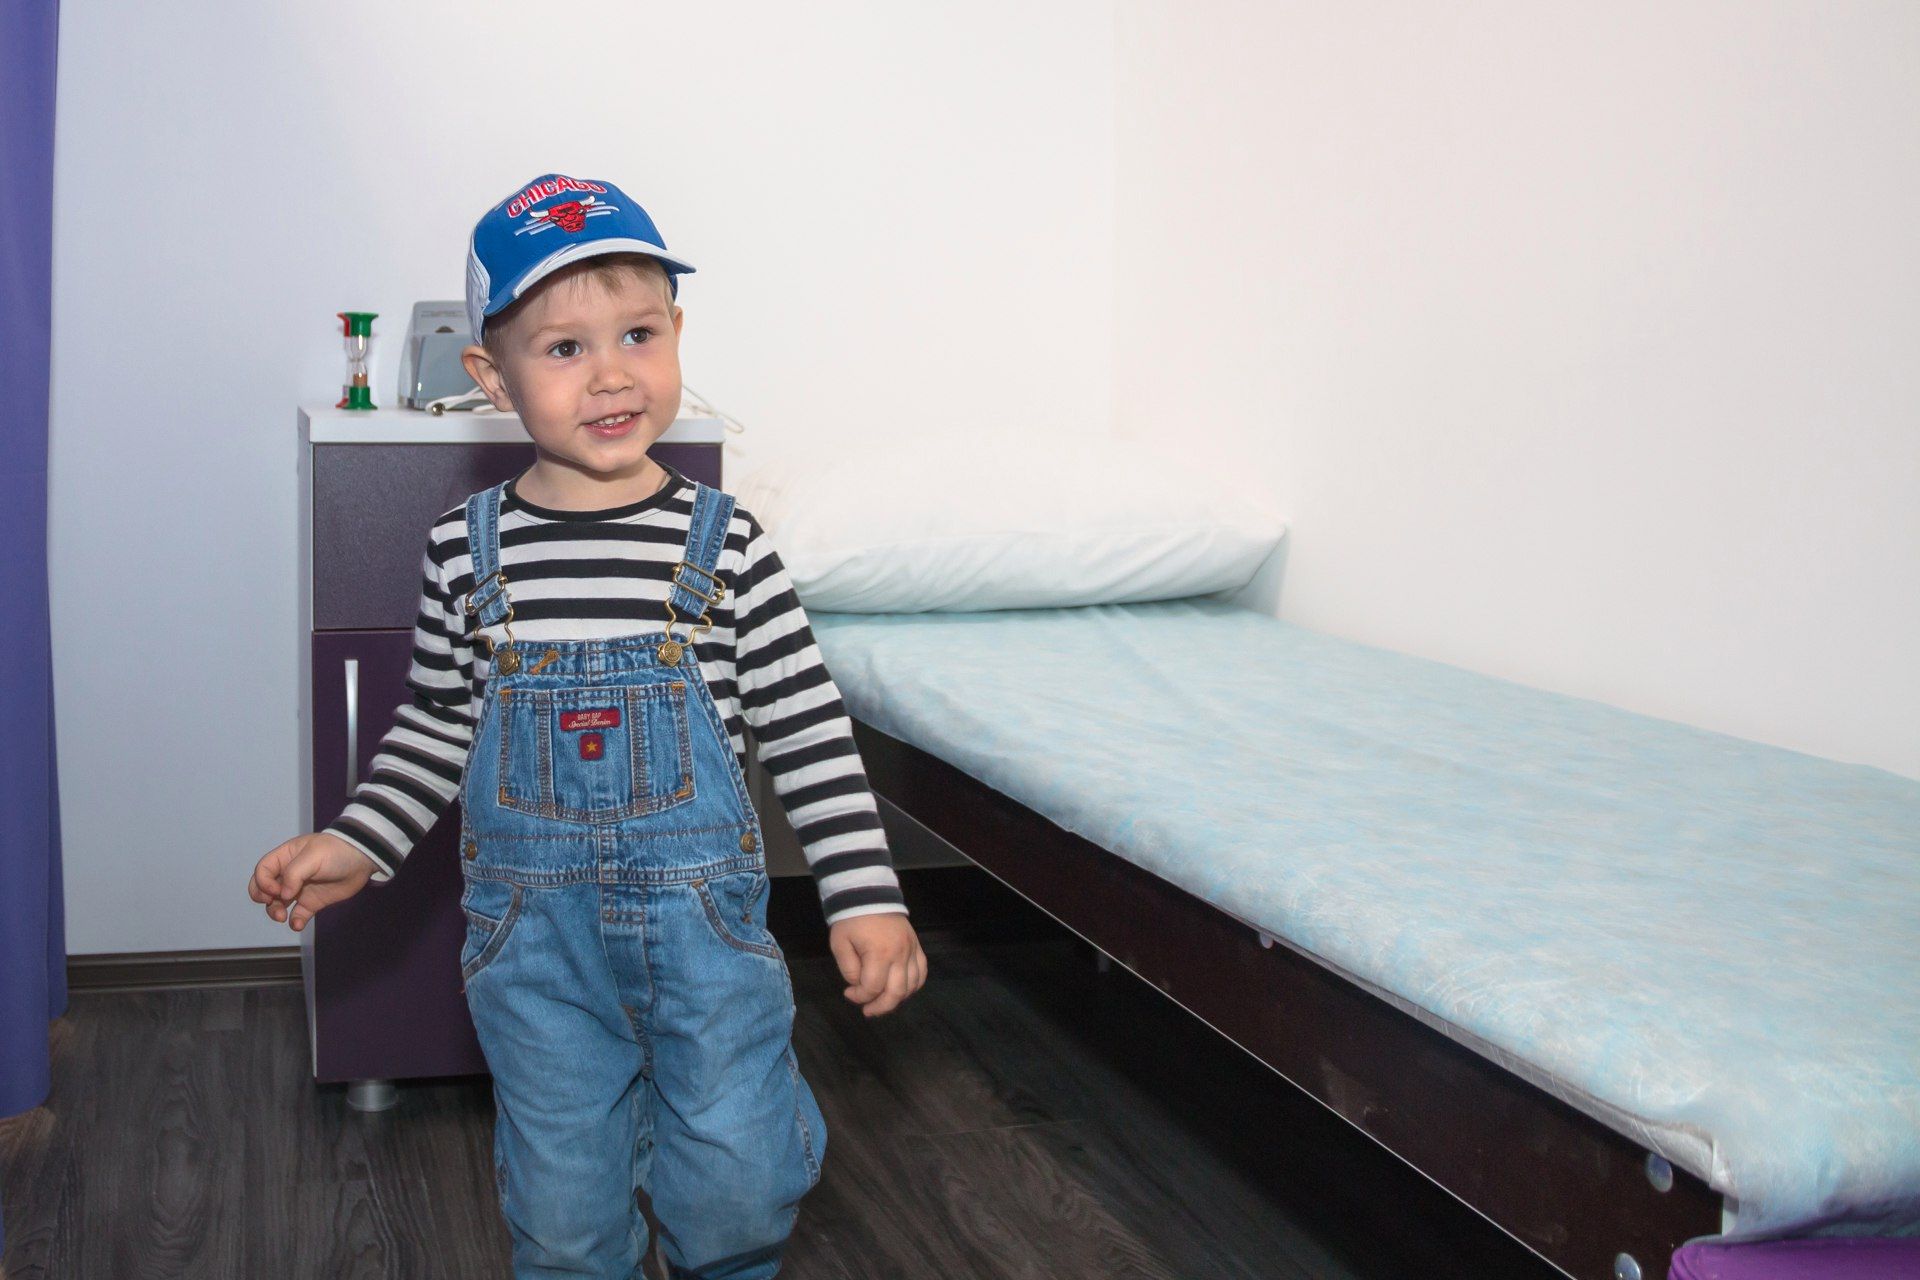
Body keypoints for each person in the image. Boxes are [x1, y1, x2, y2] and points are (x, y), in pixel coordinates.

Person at [247, 172, 927, 1278]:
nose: (611, 373)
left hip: (708, 948)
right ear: (491, 377)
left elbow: (808, 730)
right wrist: (356, 841)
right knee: (563, 1208)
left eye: (638, 335)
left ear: (677, 337)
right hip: (536, 954)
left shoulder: (730, 544)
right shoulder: (464, 550)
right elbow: (436, 724)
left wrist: (864, 892)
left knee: (741, 1180)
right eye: (564, 348)